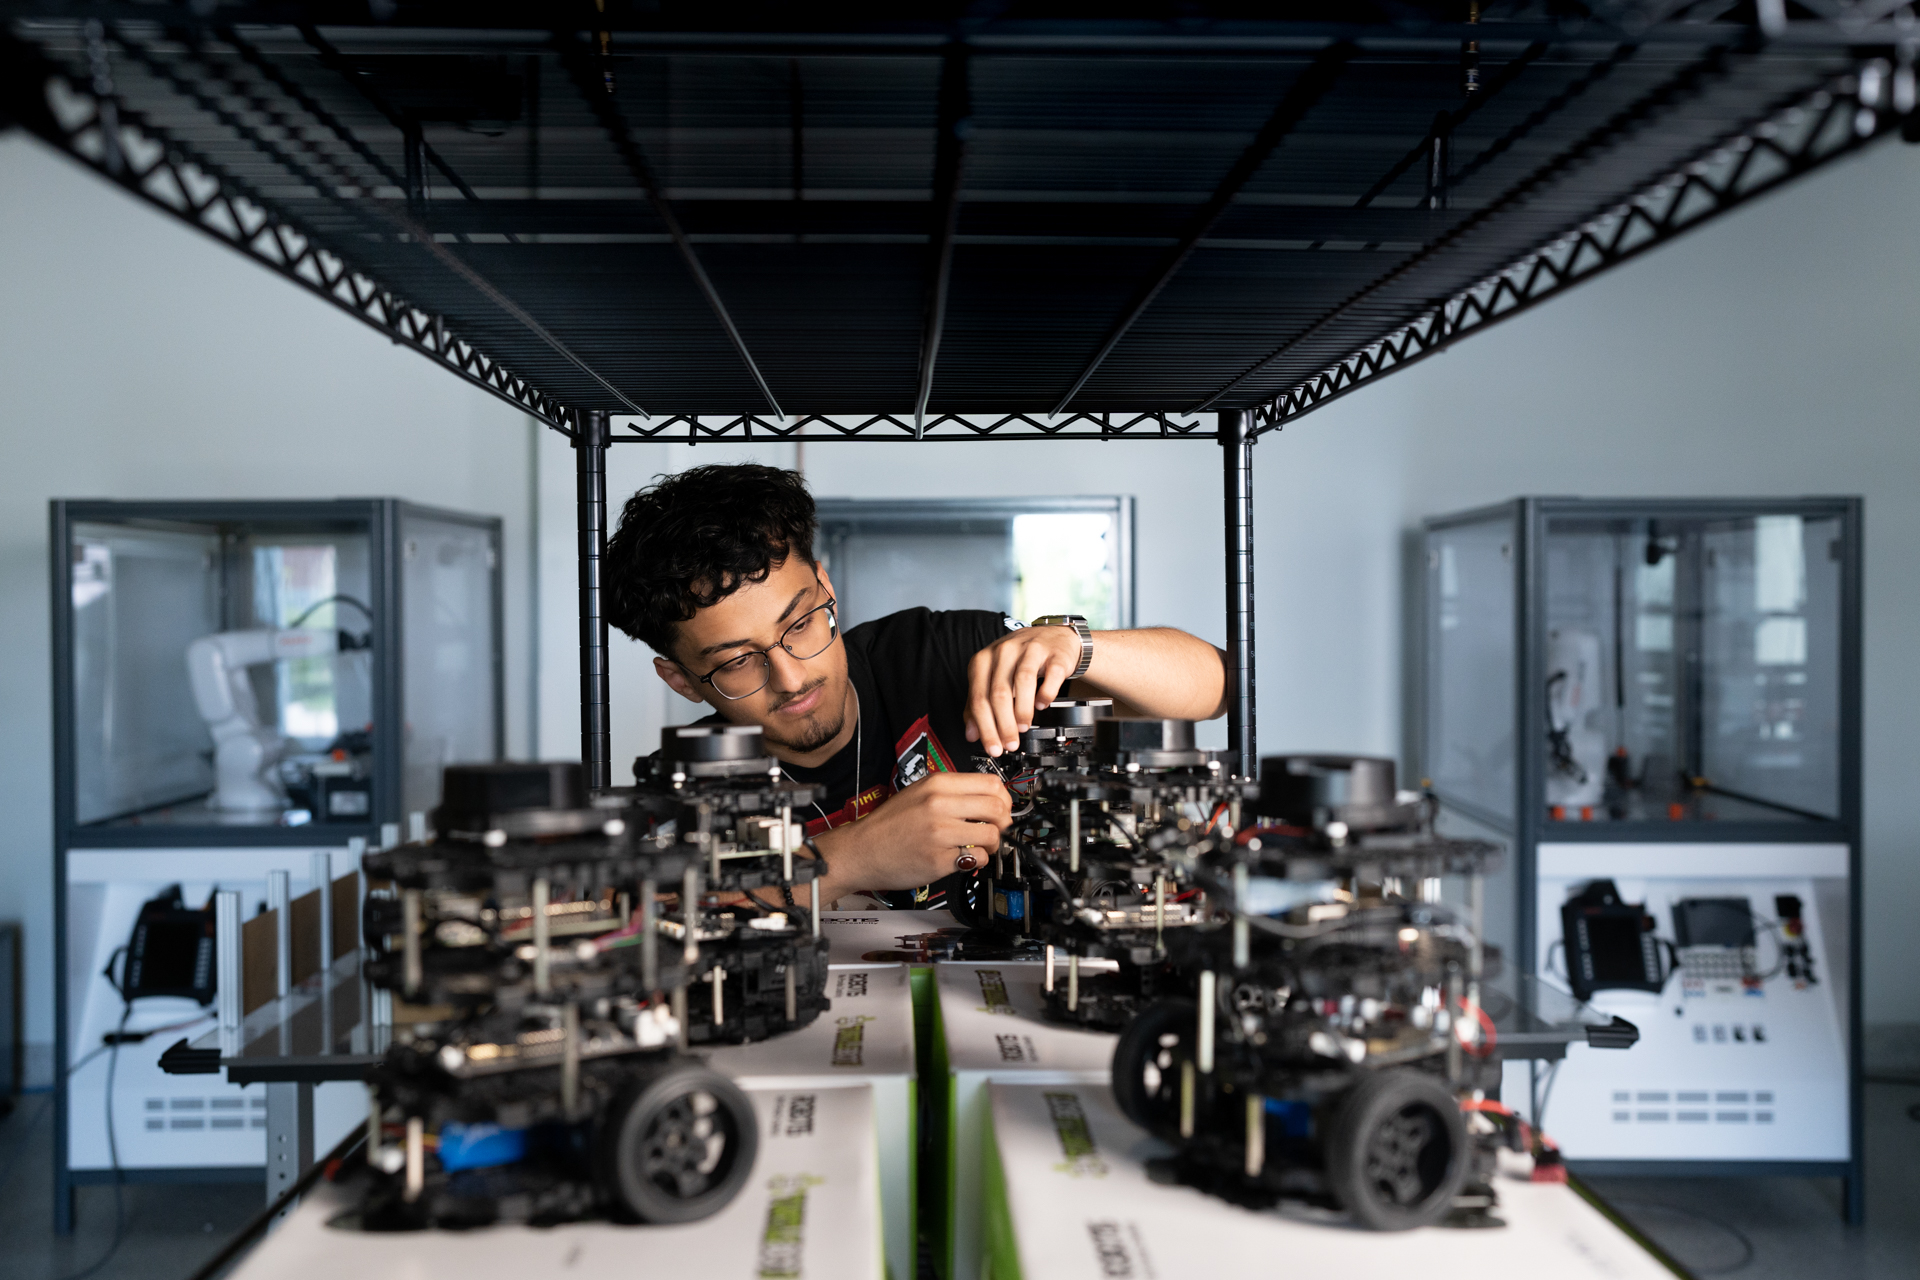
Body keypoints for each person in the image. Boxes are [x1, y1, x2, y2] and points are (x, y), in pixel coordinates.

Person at [603, 464, 1228, 910]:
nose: (791, 676)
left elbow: (1216, 688)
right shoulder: (693, 780)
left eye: (799, 624)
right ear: (682, 681)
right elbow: (635, 912)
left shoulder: (947, 653)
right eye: (738, 661)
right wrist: (850, 859)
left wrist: (1079, 645)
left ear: (826, 586)